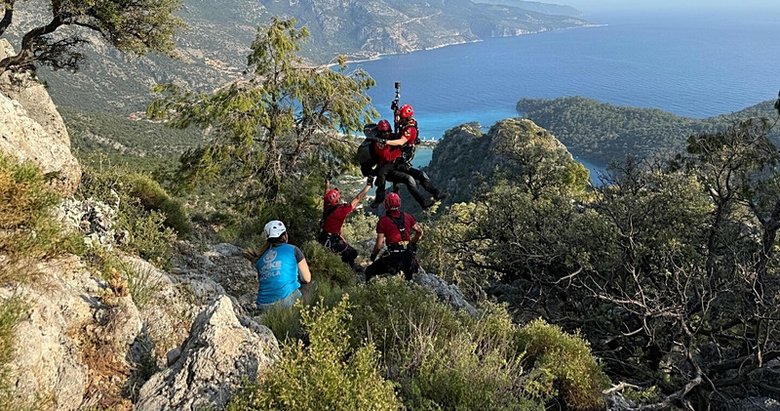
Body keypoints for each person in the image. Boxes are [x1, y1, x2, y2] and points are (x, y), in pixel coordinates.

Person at [371, 104, 448, 209]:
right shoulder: (379, 143)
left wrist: (389, 142)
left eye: (388, 131)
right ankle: (423, 202)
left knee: (421, 174)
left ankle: (436, 193)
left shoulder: (405, 130)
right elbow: (387, 157)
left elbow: (401, 138)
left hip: (397, 163)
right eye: (384, 132)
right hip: (389, 167)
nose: (387, 133)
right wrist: (395, 147)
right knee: (409, 179)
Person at [250, 220, 312, 311]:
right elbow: (307, 278)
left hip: (262, 304)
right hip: (285, 302)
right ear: (285, 235)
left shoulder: (260, 258)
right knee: (307, 287)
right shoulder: (293, 249)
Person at [365, 192, 423, 282]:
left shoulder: (383, 221)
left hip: (395, 260)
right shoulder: (408, 216)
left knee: (369, 271)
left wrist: (373, 256)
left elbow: (379, 245)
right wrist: (412, 243)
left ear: (386, 205)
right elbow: (419, 232)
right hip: (410, 260)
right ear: (399, 203)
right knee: (408, 281)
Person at [319, 177, 372, 269]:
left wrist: (327, 182)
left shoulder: (327, 206)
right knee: (352, 253)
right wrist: (368, 185)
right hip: (333, 240)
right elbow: (357, 199)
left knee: (345, 251)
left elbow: (326, 194)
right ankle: (349, 269)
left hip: (323, 237)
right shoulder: (340, 211)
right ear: (337, 201)